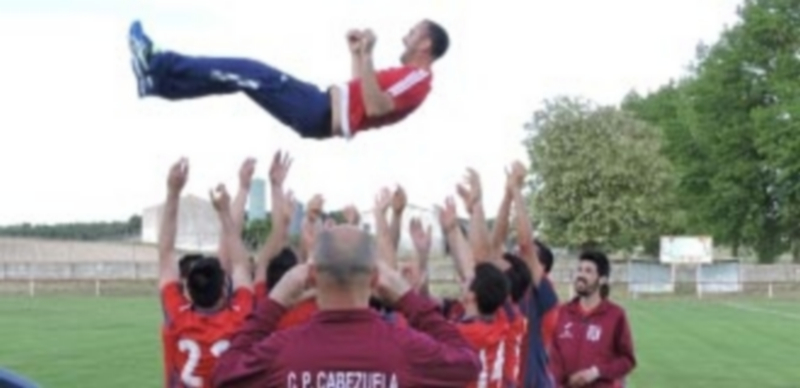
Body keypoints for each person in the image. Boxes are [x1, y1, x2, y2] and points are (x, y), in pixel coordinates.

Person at [213, 225, 481, 387]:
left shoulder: (283, 351)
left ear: (311, 275)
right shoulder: (405, 350)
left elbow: (224, 374)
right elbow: (468, 362)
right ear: (377, 278)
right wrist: (407, 297)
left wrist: (276, 301)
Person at [127, 19, 449, 140]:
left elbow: (377, 107)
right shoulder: (409, 77)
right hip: (318, 103)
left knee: (247, 71)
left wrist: (369, 55)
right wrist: (356, 54)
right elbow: (362, 95)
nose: (405, 34)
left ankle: (156, 62)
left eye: (413, 32)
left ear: (425, 44)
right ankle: (156, 81)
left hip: (318, 110)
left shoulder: (418, 78)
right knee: (242, 77)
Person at [158, 159, 254, 388]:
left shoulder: (176, 316)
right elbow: (240, 264)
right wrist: (224, 213)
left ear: (187, 290)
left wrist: (172, 192)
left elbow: (165, 252)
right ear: (224, 289)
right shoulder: (240, 318)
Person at [548, 251, 636, 388]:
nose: (581, 275)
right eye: (579, 270)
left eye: (588, 271)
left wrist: (596, 372)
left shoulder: (616, 315)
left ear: (602, 279)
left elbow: (627, 360)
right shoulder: (562, 312)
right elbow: (554, 356)